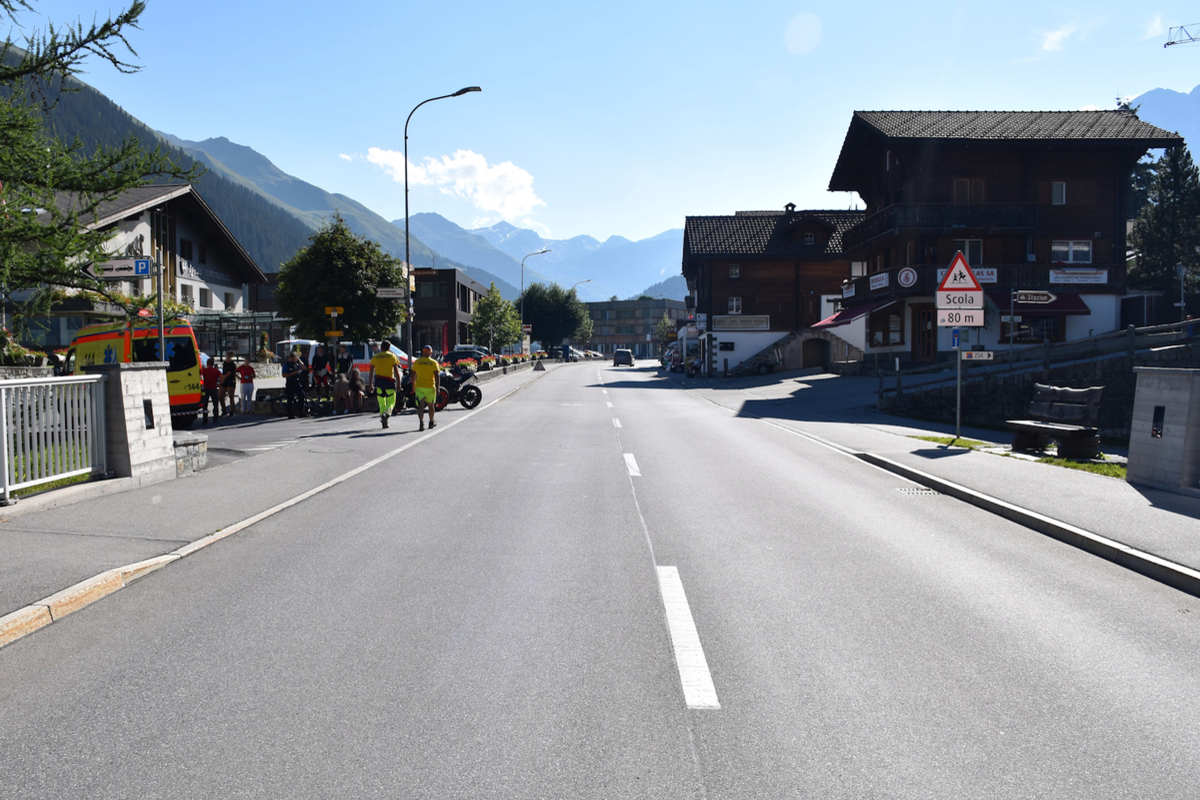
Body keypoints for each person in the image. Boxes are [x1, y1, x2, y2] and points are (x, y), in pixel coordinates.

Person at [368, 340, 403, 429]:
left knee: (381, 402)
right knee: (391, 401)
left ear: (381, 347)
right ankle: (387, 414)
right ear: (389, 348)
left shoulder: (376, 357)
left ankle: (384, 421)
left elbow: (371, 371)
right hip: (389, 382)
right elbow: (396, 372)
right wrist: (399, 384)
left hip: (379, 382)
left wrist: (370, 384)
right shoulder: (392, 356)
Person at [411, 344, 441, 432]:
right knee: (431, 406)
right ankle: (431, 421)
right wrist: (437, 387)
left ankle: (421, 422)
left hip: (420, 387)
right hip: (430, 387)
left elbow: (413, 374)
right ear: (431, 352)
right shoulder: (433, 362)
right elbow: (437, 375)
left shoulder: (417, 362)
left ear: (423, 352)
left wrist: (413, 384)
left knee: (420, 406)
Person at [281, 351, 307, 419]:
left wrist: (299, 360)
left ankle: (301, 412)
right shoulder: (287, 365)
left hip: (297, 382)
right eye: (295, 358)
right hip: (290, 383)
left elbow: (304, 367)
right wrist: (293, 373)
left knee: (301, 395)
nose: (296, 359)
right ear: (291, 358)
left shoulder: (296, 364)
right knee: (290, 399)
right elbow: (284, 375)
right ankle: (290, 414)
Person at [200, 359, 223, 424]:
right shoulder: (216, 371)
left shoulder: (204, 370)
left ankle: (205, 420)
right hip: (214, 388)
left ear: (207, 363)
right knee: (215, 404)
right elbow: (222, 377)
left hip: (206, 388)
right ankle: (215, 418)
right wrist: (219, 384)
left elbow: (200, 376)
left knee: (205, 404)